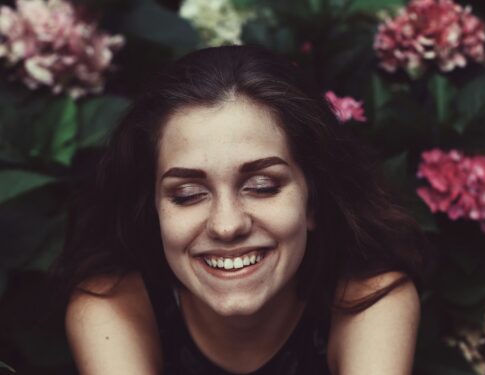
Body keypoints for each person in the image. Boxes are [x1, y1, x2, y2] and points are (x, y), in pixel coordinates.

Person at [53, 45, 429, 374]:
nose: (227, 224)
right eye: (186, 194)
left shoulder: (368, 299)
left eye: (262, 187)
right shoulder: (112, 307)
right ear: (153, 212)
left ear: (313, 201)